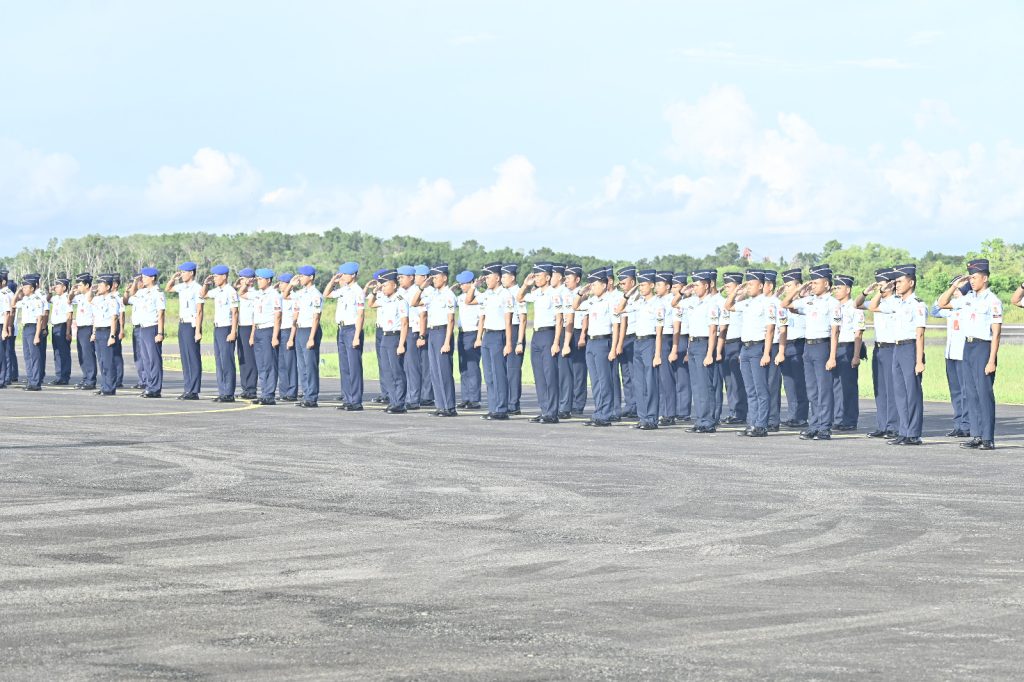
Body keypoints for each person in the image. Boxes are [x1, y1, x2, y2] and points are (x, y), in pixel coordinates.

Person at [938, 259, 1002, 450]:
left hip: (983, 347)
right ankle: (976, 434)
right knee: (971, 393)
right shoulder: (968, 298)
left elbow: (996, 333)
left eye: (974, 277)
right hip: (968, 346)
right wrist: (955, 286)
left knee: (984, 394)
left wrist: (991, 360)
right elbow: (942, 303)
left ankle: (988, 438)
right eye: (970, 278)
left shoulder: (993, 301)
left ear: (985, 278)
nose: (971, 281)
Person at [781, 264, 841, 441]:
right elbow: (785, 304)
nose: (812, 285)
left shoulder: (833, 303)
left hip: (823, 346)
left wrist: (832, 356)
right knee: (812, 390)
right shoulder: (809, 301)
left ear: (826, 284)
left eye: (816, 282)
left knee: (824, 390)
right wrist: (798, 289)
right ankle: (814, 425)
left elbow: (835, 331)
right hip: (808, 347)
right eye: (811, 282)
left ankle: (824, 427)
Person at [869, 264, 926, 446]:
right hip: (897, 348)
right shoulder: (897, 303)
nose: (897, 285)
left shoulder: (917, 304)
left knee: (912, 393)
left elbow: (920, 334)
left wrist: (919, 360)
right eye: (896, 282)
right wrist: (883, 289)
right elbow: (873, 306)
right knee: (900, 393)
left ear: (911, 282)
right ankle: (903, 431)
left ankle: (913, 433)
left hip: (910, 348)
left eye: (900, 281)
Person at [724, 270, 776, 437]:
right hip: (745, 348)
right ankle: (752, 423)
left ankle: (761, 425)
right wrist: (736, 291)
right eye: (747, 284)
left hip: (758, 347)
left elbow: (770, 330)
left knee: (761, 389)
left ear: (761, 285)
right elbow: (728, 306)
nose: (749, 287)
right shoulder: (746, 303)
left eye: (751, 284)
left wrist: (766, 353)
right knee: (750, 389)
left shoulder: (767, 303)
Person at [857, 268, 899, 439]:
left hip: (892, 348)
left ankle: (893, 426)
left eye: (881, 284)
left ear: (890, 285)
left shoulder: (896, 302)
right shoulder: (878, 300)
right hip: (879, 348)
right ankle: (882, 425)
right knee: (880, 389)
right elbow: (857, 304)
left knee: (891, 388)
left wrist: (880, 293)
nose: (879, 287)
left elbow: (873, 306)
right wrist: (865, 292)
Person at [518, 263, 563, 424]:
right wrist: (525, 284)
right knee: (539, 376)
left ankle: (552, 412)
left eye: (538, 275)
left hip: (549, 334)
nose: (536, 278)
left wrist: (556, 342)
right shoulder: (536, 293)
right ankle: (544, 410)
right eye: (535, 275)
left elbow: (559, 319)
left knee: (550, 375)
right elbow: (519, 298)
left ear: (548, 277)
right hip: (536, 335)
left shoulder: (554, 294)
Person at [576, 266, 618, 427]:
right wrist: (581, 292)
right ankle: (598, 412)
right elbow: (575, 306)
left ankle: (605, 414)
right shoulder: (592, 300)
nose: (592, 287)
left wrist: (613, 348)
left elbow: (616, 326)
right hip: (591, 342)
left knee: (604, 380)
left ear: (604, 285)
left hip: (603, 342)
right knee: (595, 381)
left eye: (594, 284)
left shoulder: (610, 301)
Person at [624, 269, 665, 430]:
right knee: (639, 382)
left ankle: (651, 418)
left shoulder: (658, 304)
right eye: (639, 285)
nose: (641, 288)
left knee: (650, 382)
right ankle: (642, 417)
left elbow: (659, 332)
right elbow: (620, 309)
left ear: (652, 285)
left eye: (643, 285)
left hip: (650, 342)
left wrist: (657, 354)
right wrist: (629, 293)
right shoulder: (638, 303)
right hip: (638, 342)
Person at [931, 276, 970, 437]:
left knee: (966, 392)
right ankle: (958, 424)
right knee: (955, 392)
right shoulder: (952, 306)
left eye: (957, 288)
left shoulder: (968, 303)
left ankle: (967, 425)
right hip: (951, 353)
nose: (954, 291)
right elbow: (934, 310)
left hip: (963, 353)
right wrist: (951, 288)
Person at [417, 264, 458, 417]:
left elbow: (451, 320)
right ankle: (440, 405)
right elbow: (414, 302)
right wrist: (422, 287)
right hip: (432, 332)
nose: (433, 280)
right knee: (434, 371)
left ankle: (449, 407)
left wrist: (447, 342)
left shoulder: (449, 295)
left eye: (436, 277)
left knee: (444, 371)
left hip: (442, 332)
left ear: (444, 278)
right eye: (432, 277)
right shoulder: (433, 294)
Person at [324, 262, 366, 411]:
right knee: (345, 366)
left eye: (344, 274)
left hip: (352, 329)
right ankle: (348, 399)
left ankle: (356, 401)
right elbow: (326, 295)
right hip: (341, 329)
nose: (342, 276)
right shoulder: (344, 290)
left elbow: (361, 315)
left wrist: (357, 336)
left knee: (354, 366)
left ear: (353, 275)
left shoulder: (358, 291)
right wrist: (332, 281)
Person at [366, 269, 409, 413]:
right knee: (387, 371)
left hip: (395, 336)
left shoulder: (400, 301)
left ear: (394, 285)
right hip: (385, 336)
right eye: (382, 286)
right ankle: (393, 400)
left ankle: (400, 403)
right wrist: (374, 291)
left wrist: (401, 344)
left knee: (397, 371)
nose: (383, 288)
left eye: (385, 285)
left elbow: (404, 323)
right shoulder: (385, 300)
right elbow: (371, 304)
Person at [476, 262, 514, 420]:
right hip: (487, 335)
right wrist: (475, 286)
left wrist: (509, 343)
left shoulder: (505, 295)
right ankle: (493, 407)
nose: (486, 280)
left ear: (497, 278)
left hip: (499, 335)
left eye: (488, 276)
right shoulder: (487, 294)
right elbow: (469, 300)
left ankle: (501, 409)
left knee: (499, 374)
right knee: (489, 375)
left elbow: (508, 321)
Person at [241, 269, 282, 405]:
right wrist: (246, 283)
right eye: (257, 279)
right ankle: (264, 393)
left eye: (260, 279)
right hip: (258, 330)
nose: (258, 281)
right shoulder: (258, 294)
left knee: (269, 363)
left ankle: (269, 395)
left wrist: (275, 336)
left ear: (268, 280)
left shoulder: (274, 295)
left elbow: (278, 316)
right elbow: (241, 293)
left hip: (268, 330)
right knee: (261, 365)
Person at [200, 265, 239, 402]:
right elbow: (203, 295)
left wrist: (233, 331)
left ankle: (229, 393)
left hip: (227, 328)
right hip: (217, 328)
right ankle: (222, 391)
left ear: (224, 276)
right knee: (219, 361)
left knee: (227, 361)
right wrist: (206, 283)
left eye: (216, 276)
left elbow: (235, 313)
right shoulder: (217, 291)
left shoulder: (231, 291)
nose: (214, 279)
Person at [126, 267, 166, 398]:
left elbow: (161, 314)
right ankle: (149, 386)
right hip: (143, 328)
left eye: (145, 277)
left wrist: (160, 333)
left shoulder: (158, 293)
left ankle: (155, 388)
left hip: (152, 327)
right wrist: (134, 282)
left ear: (152, 278)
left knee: (154, 359)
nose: (142, 279)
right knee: (146, 360)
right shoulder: (142, 292)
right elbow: (130, 297)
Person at [832, 274, 866, 431]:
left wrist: (856, 355)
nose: (836, 291)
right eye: (835, 288)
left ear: (848, 290)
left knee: (848, 386)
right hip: (835, 348)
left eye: (839, 288)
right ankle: (838, 418)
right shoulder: (834, 307)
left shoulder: (855, 308)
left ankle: (850, 420)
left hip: (849, 347)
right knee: (836, 385)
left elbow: (858, 333)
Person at [166, 262, 203, 400]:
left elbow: (199, 311)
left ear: (191, 273)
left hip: (192, 324)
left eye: (184, 272)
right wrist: (173, 278)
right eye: (181, 272)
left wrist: (198, 331)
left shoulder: (197, 288)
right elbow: (168, 289)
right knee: (185, 357)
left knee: (192, 357)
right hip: (182, 323)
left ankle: (194, 390)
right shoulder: (182, 286)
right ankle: (188, 388)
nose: (181, 274)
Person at [779, 269, 809, 428]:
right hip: (786, 344)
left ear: (798, 286)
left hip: (800, 343)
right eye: (785, 286)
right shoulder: (783, 303)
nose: (786, 288)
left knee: (800, 382)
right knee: (789, 383)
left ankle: (801, 416)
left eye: (789, 285)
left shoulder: (806, 301)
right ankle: (792, 415)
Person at [717, 272, 747, 426]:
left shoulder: (743, 304)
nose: (726, 289)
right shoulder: (725, 303)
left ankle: (740, 412)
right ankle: (733, 411)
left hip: (738, 343)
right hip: (726, 343)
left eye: (729, 286)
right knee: (729, 381)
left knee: (738, 381)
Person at [291, 265, 323, 408]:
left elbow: (316, 317)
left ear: (310, 277)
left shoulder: (316, 294)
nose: (300, 278)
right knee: (302, 366)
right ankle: (306, 394)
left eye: (303, 276)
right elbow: (285, 295)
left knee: (310, 366)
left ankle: (312, 397)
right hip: (300, 329)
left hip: (310, 330)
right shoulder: (301, 293)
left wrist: (311, 337)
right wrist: (292, 285)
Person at [559, 264, 588, 419]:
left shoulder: (584, 293)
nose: (566, 280)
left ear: (577, 279)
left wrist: (583, 335)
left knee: (579, 370)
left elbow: (585, 317)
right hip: (566, 330)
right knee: (565, 371)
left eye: (569, 278)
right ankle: (565, 404)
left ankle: (578, 404)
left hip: (578, 332)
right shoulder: (563, 292)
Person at [397, 265, 426, 409]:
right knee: (406, 366)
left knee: (412, 367)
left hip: (413, 330)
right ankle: (408, 396)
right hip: (403, 330)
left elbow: (423, 315)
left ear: (411, 277)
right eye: (399, 277)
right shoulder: (401, 292)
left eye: (402, 277)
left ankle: (414, 399)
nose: (400, 280)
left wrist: (422, 335)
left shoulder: (417, 291)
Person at [762, 270, 787, 432]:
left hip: (774, 346)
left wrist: (781, 351)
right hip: (759, 346)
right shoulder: (758, 302)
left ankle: (772, 419)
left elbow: (783, 329)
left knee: (772, 384)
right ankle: (761, 418)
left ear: (770, 286)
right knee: (760, 385)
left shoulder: (778, 304)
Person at [13, 274, 49, 390]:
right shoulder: (25, 299)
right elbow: (13, 304)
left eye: (25, 287)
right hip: (26, 328)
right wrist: (18, 291)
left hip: (33, 328)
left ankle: (36, 382)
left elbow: (39, 319)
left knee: (35, 356)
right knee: (27, 356)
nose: (23, 289)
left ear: (32, 288)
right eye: (23, 287)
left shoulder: (37, 300)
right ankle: (30, 379)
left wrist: (37, 335)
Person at [454, 270, 482, 410]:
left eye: (463, 283)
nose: (461, 286)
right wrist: (452, 288)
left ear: (471, 283)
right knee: (463, 367)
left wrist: (479, 337)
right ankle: (466, 397)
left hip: (473, 333)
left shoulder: (479, 297)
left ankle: (474, 399)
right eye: (460, 283)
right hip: (462, 333)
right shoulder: (460, 297)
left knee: (473, 367)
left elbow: (482, 318)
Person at [671, 273, 697, 423]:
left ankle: (683, 411)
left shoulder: (691, 302)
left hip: (687, 338)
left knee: (683, 378)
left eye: (676, 287)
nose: (674, 289)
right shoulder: (678, 302)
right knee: (675, 377)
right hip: (675, 338)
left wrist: (687, 349)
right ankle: (675, 408)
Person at [614, 266, 638, 419]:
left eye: (624, 283)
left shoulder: (639, 297)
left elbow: (626, 321)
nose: (622, 286)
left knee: (636, 375)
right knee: (627, 375)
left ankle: (638, 405)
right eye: (621, 284)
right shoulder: (622, 298)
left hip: (635, 338)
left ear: (633, 282)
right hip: (625, 338)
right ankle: (630, 404)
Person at [502, 263, 526, 415]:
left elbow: (523, 319)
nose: (502, 279)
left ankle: (513, 404)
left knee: (513, 371)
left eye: (504, 277)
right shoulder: (502, 292)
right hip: (504, 330)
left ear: (512, 277)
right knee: (503, 370)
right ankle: (504, 401)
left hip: (516, 330)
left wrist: (519, 342)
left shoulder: (518, 293)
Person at [91, 274, 119, 396]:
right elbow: (95, 316)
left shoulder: (112, 300)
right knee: (101, 361)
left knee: (108, 361)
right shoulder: (98, 299)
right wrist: (94, 332)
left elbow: (114, 318)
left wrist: (112, 335)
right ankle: (104, 386)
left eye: (101, 285)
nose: (98, 287)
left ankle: (110, 387)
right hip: (99, 331)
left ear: (108, 287)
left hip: (107, 331)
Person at [655, 271, 677, 426]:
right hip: (656, 337)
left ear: (668, 286)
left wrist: (674, 348)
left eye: (659, 284)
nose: (656, 287)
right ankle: (662, 411)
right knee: (659, 379)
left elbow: (676, 326)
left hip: (666, 337)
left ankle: (669, 413)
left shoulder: (673, 301)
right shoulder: (657, 300)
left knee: (666, 378)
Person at [70, 273, 97, 390]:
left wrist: (94, 332)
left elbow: (95, 315)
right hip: (80, 328)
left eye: (80, 285)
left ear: (87, 285)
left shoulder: (92, 297)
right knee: (82, 355)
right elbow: (69, 300)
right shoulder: (79, 297)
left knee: (88, 355)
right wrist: (72, 290)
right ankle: (85, 377)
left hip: (88, 328)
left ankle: (91, 380)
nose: (78, 287)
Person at [235, 267, 259, 400]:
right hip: (241, 327)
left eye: (244, 278)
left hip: (250, 327)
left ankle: (251, 389)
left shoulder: (254, 294)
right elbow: (238, 291)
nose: (241, 281)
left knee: (250, 360)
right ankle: (245, 388)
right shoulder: (241, 292)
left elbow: (256, 316)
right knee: (242, 359)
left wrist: (252, 335)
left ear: (250, 280)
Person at [276, 273, 298, 402]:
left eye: (282, 283)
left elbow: (295, 319)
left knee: (290, 363)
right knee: (281, 364)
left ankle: (292, 392)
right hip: (280, 331)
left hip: (289, 330)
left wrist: (291, 338)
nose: (280, 285)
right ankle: (283, 391)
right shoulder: (278, 296)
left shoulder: (294, 297)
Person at [47, 275, 73, 385]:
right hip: (55, 327)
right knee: (57, 352)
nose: (55, 288)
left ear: (64, 287)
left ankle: (65, 376)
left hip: (63, 327)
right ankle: (59, 376)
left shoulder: (67, 298)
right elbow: (48, 299)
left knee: (64, 353)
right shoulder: (56, 298)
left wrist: (68, 331)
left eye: (58, 286)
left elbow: (69, 315)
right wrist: (50, 291)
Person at [0, 269, 11, 388]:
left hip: (1, 325)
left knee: (1, 354)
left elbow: (7, 313)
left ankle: (1, 380)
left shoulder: (3, 295)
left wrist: (4, 329)